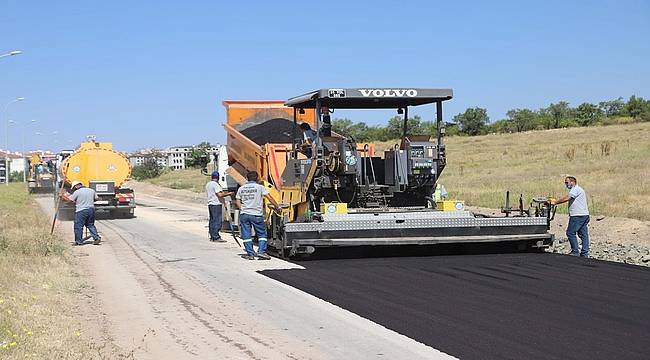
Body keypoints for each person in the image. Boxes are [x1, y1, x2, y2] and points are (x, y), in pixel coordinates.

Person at [235, 171, 280, 260]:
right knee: (262, 234)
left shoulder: (241, 188)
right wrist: (277, 206)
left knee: (246, 234)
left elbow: (237, 201)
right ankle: (261, 252)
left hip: (245, 214)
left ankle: (250, 254)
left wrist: (243, 209)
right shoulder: (260, 187)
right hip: (256, 214)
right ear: (257, 178)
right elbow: (269, 197)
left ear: (247, 178)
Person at [551, 176, 590, 257]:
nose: (566, 184)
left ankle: (575, 251)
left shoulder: (576, 189)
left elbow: (567, 198)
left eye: (567, 182)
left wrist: (556, 202)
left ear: (573, 182)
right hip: (584, 214)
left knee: (570, 233)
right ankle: (585, 253)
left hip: (577, 215)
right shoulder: (579, 189)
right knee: (583, 234)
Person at [67, 181, 101, 246]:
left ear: (76, 186)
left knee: (78, 226)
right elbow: (96, 198)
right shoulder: (91, 190)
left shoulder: (77, 192)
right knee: (90, 225)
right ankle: (96, 238)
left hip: (81, 211)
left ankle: (78, 241)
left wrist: (62, 197)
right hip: (91, 210)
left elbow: (70, 200)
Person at [206, 171, 233, 242]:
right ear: (218, 177)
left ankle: (212, 236)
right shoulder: (216, 185)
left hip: (211, 204)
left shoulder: (208, 184)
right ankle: (216, 237)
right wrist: (229, 193)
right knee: (217, 221)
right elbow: (220, 195)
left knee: (212, 220)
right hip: (216, 204)